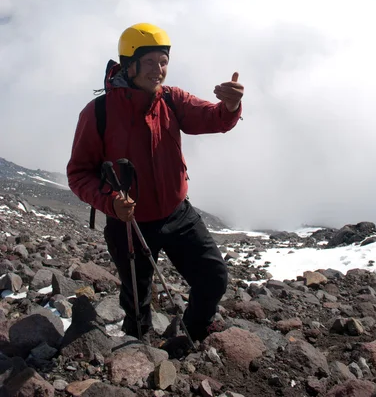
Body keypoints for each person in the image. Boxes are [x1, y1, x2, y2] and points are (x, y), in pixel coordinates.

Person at [66, 22, 243, 352]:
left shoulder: (172, 100)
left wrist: (230, 107)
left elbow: (214, 118)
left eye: (163, 61)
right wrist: (111, 201)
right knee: (137, 297)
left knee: (213, 277)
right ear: (129, 64)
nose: (159, 70)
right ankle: (137, 351)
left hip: (178, 215)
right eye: (150, 62)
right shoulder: (99, 113)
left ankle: (190, 335)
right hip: (129, 224)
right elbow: (78, 173)